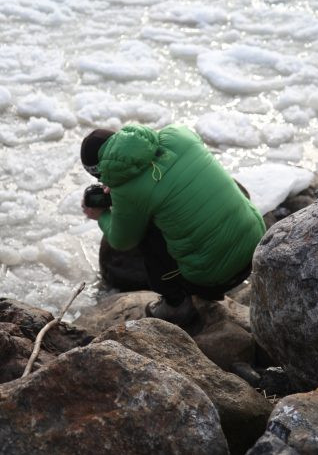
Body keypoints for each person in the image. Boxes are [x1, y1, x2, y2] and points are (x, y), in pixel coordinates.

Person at [81, 124, 266, 326]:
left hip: (216, 277)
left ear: (99, 171)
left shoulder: (128, 192)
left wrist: (101, 215)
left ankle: (175, 303)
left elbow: (121, 241)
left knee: (142, 230)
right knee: (195, 181)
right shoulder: (178, 135)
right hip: (258, 247)